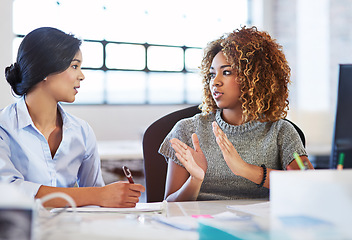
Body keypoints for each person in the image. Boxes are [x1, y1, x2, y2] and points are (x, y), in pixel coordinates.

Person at [159, 26, 314, 202]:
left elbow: (308, 183)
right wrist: (196, 179)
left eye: (226, 72)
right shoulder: (188, 130)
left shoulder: (281, 131)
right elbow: (169, 206)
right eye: (211, 74)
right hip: (201, 225)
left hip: (260, 226)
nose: (215, 82)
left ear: (255, 77)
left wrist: (244, 169)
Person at [0, 27, 145, 208]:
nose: (82, 76)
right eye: (74, 66)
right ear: (45, 69)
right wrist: (98, 195)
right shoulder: (3, 127)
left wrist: (108, 197)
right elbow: (8, 191)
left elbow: (95, 199)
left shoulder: (82, 131)